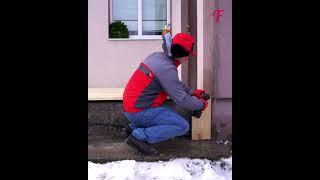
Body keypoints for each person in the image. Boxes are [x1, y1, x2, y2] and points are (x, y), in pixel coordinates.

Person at [122, 32, 208, 154]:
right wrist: (201, 105)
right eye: (187, 55)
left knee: (172, 113)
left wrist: (193, 92)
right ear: (180, 53)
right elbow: (181, 99)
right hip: (139, 111)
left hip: (134, 107)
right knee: (182, 126)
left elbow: (174, 83)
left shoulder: (158, 57)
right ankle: (139, 137)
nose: (187, 58)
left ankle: (133, 128)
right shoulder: (167, 69)